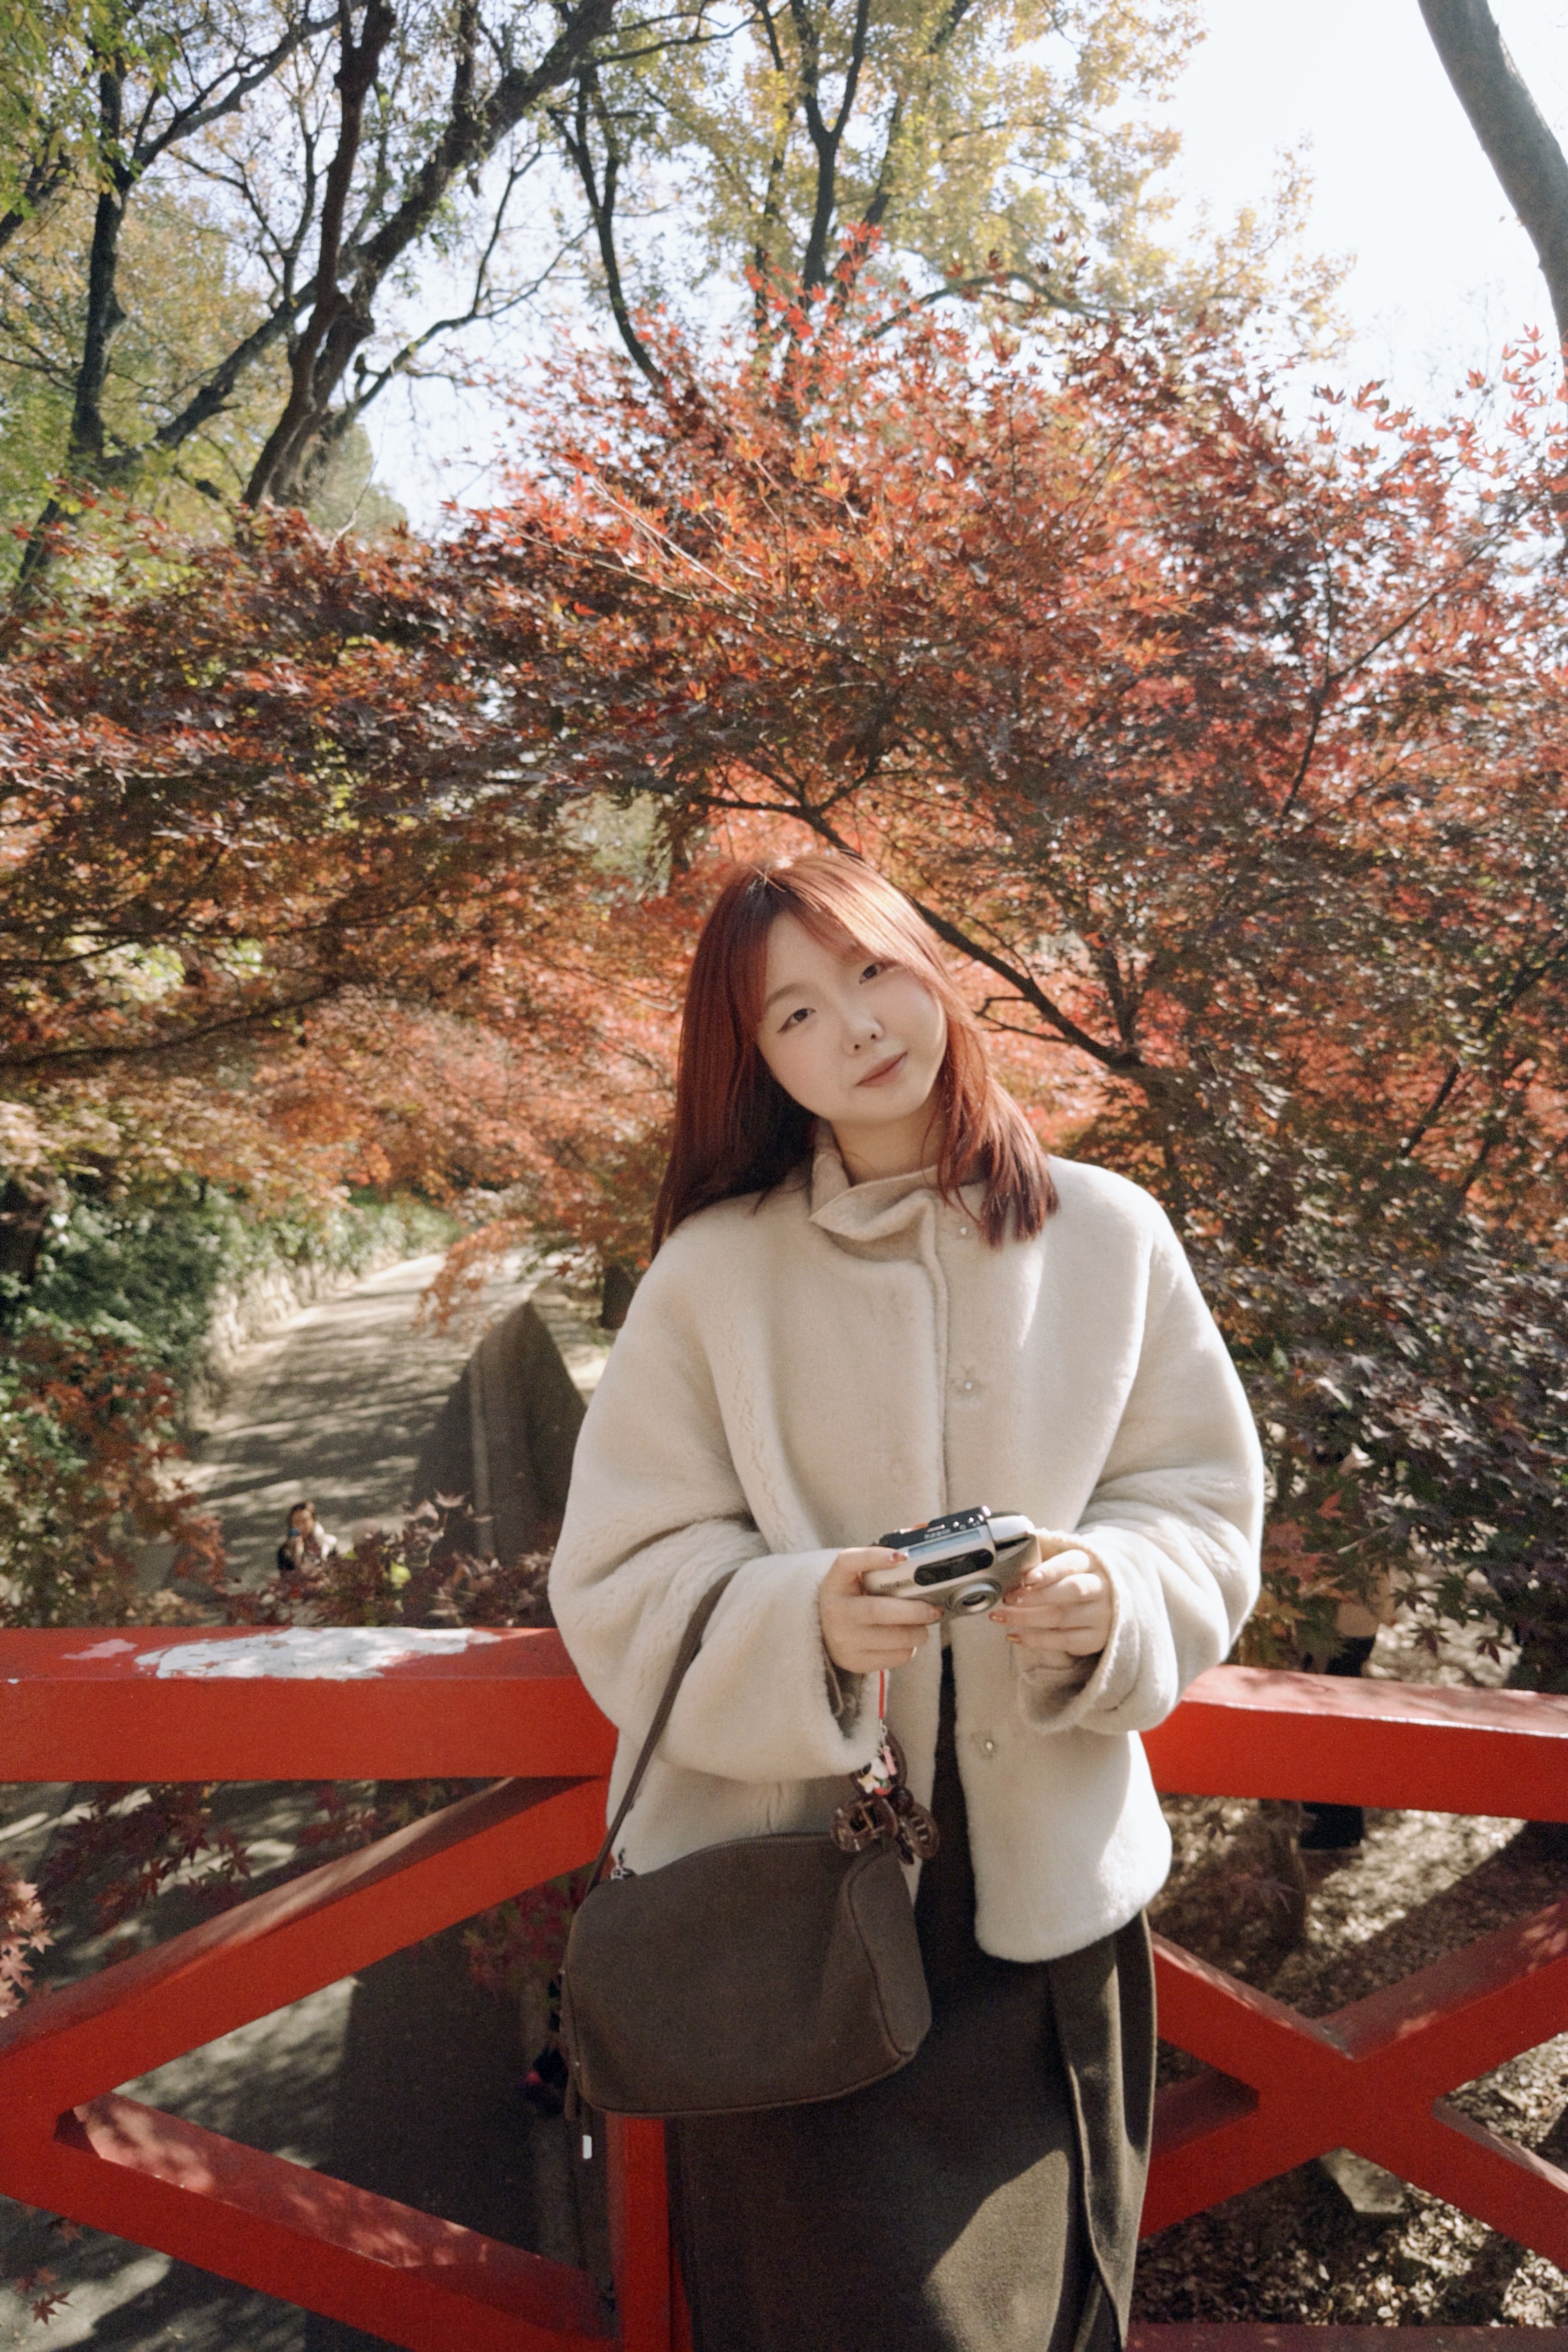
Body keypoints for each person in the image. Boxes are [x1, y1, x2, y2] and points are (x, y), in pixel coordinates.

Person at [548, 853, 1264, 2352]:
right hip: (794, 1912)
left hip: (1047, 1906)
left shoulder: (1109, 1234)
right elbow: (617, 1572)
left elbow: (1195, 1504)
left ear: (931, 967)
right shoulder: (710, 1273)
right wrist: (803, 1616)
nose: (856, 1027)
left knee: (1059, 2314)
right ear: (759, 1066)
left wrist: (1112, 1594)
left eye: (871, 971)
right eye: (795, 1014)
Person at [275, 1499, 338, 1577]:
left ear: (313, 1520)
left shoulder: (328, 1543)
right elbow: (287, 1578)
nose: (301, 1527)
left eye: (305, 1521)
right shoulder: (286, 1550)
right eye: (296, 1522)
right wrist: (296, 1556)